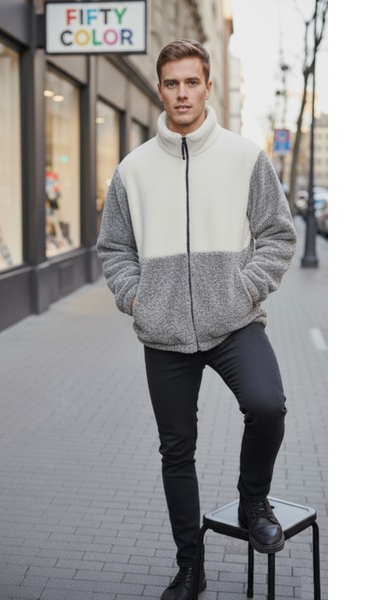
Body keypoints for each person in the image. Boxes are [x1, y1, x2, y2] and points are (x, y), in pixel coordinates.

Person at [97, 39, 297, 600]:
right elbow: (114, 248)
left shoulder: (245, 157)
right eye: (171, 84)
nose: (181, 93)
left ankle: (253, 500)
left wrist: (245, 288)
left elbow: (278, 235)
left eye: (191, 82)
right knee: (176, 450)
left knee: (268, 406)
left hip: (234, 323)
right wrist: (137, 298)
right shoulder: (132, 169)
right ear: (159, 90)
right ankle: (191, 567)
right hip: (163, 334)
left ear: (208, 87)